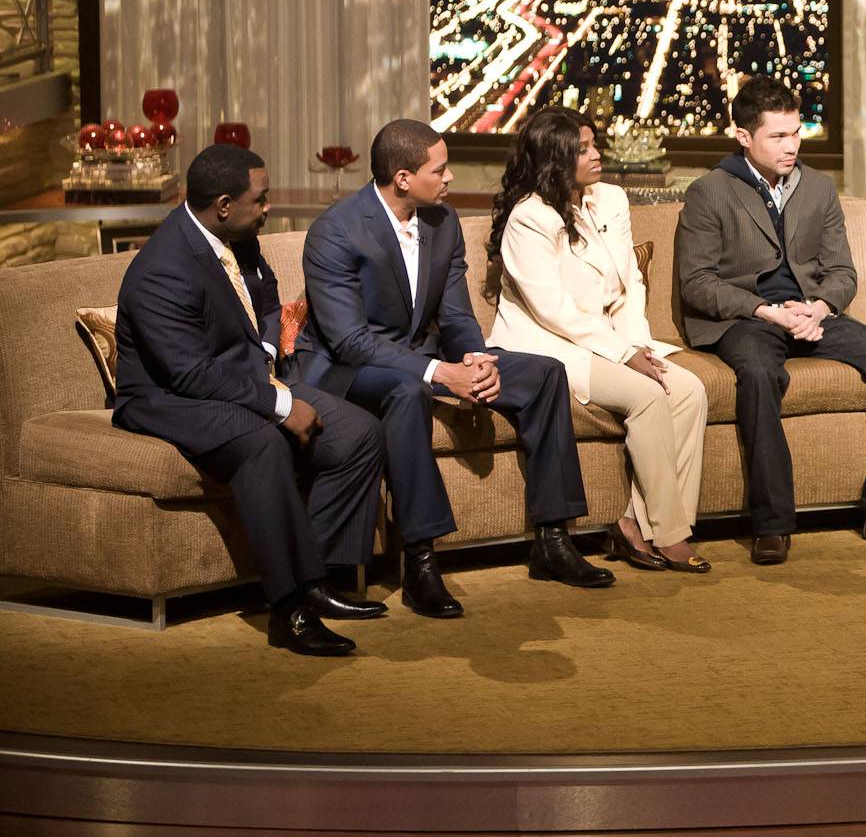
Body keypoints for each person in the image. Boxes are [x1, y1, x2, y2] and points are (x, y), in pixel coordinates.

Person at [295, 119, 611, 618]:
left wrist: (478, 361)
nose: (450, 177)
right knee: (408, 393)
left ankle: (553, 540)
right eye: (439, 170)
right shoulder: (336, 231)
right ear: (403, 179)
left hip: (422, 356)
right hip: (349, 369)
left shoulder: (442, 223)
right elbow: (351, 342)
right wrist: (441, 374)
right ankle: (420, 562)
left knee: (546, 374)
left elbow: (457, 316)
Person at [112, 144, 386, 656]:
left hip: (240, 380)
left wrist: (265, 351)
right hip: (169, 398)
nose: (267, 208)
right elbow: (190, 374)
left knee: (359, 433)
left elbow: (266, 297)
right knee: (263, 443)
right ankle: (289, 609)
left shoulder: (237, 238)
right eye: (260, 199)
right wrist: (280, 406)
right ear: (223, 205)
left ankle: (318, 578)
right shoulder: (162, 269)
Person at [675, 75, 866, 565]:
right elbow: (698, 283)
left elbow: (842, 272)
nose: (792, 146)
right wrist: (767, 311)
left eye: (796, 133)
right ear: (743, 136)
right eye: (778, 135)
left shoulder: (818, 187)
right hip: (748, 317)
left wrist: (818, 307)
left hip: (810, 312)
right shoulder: (708, 192)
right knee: (759, 374)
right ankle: (772, 524)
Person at [486, 107, 711, 573]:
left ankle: (635, 525)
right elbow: (553, 310)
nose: (595, 155)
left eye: (594, 144)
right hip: (548, 343)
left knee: (689, 390)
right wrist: (623, 355)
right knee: (648, 396)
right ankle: (671, 534)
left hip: (608, 337)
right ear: (555, 158)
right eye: (582, 149)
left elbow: (630, 283)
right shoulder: (529, 218)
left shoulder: (610, 199)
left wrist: (636, 345)